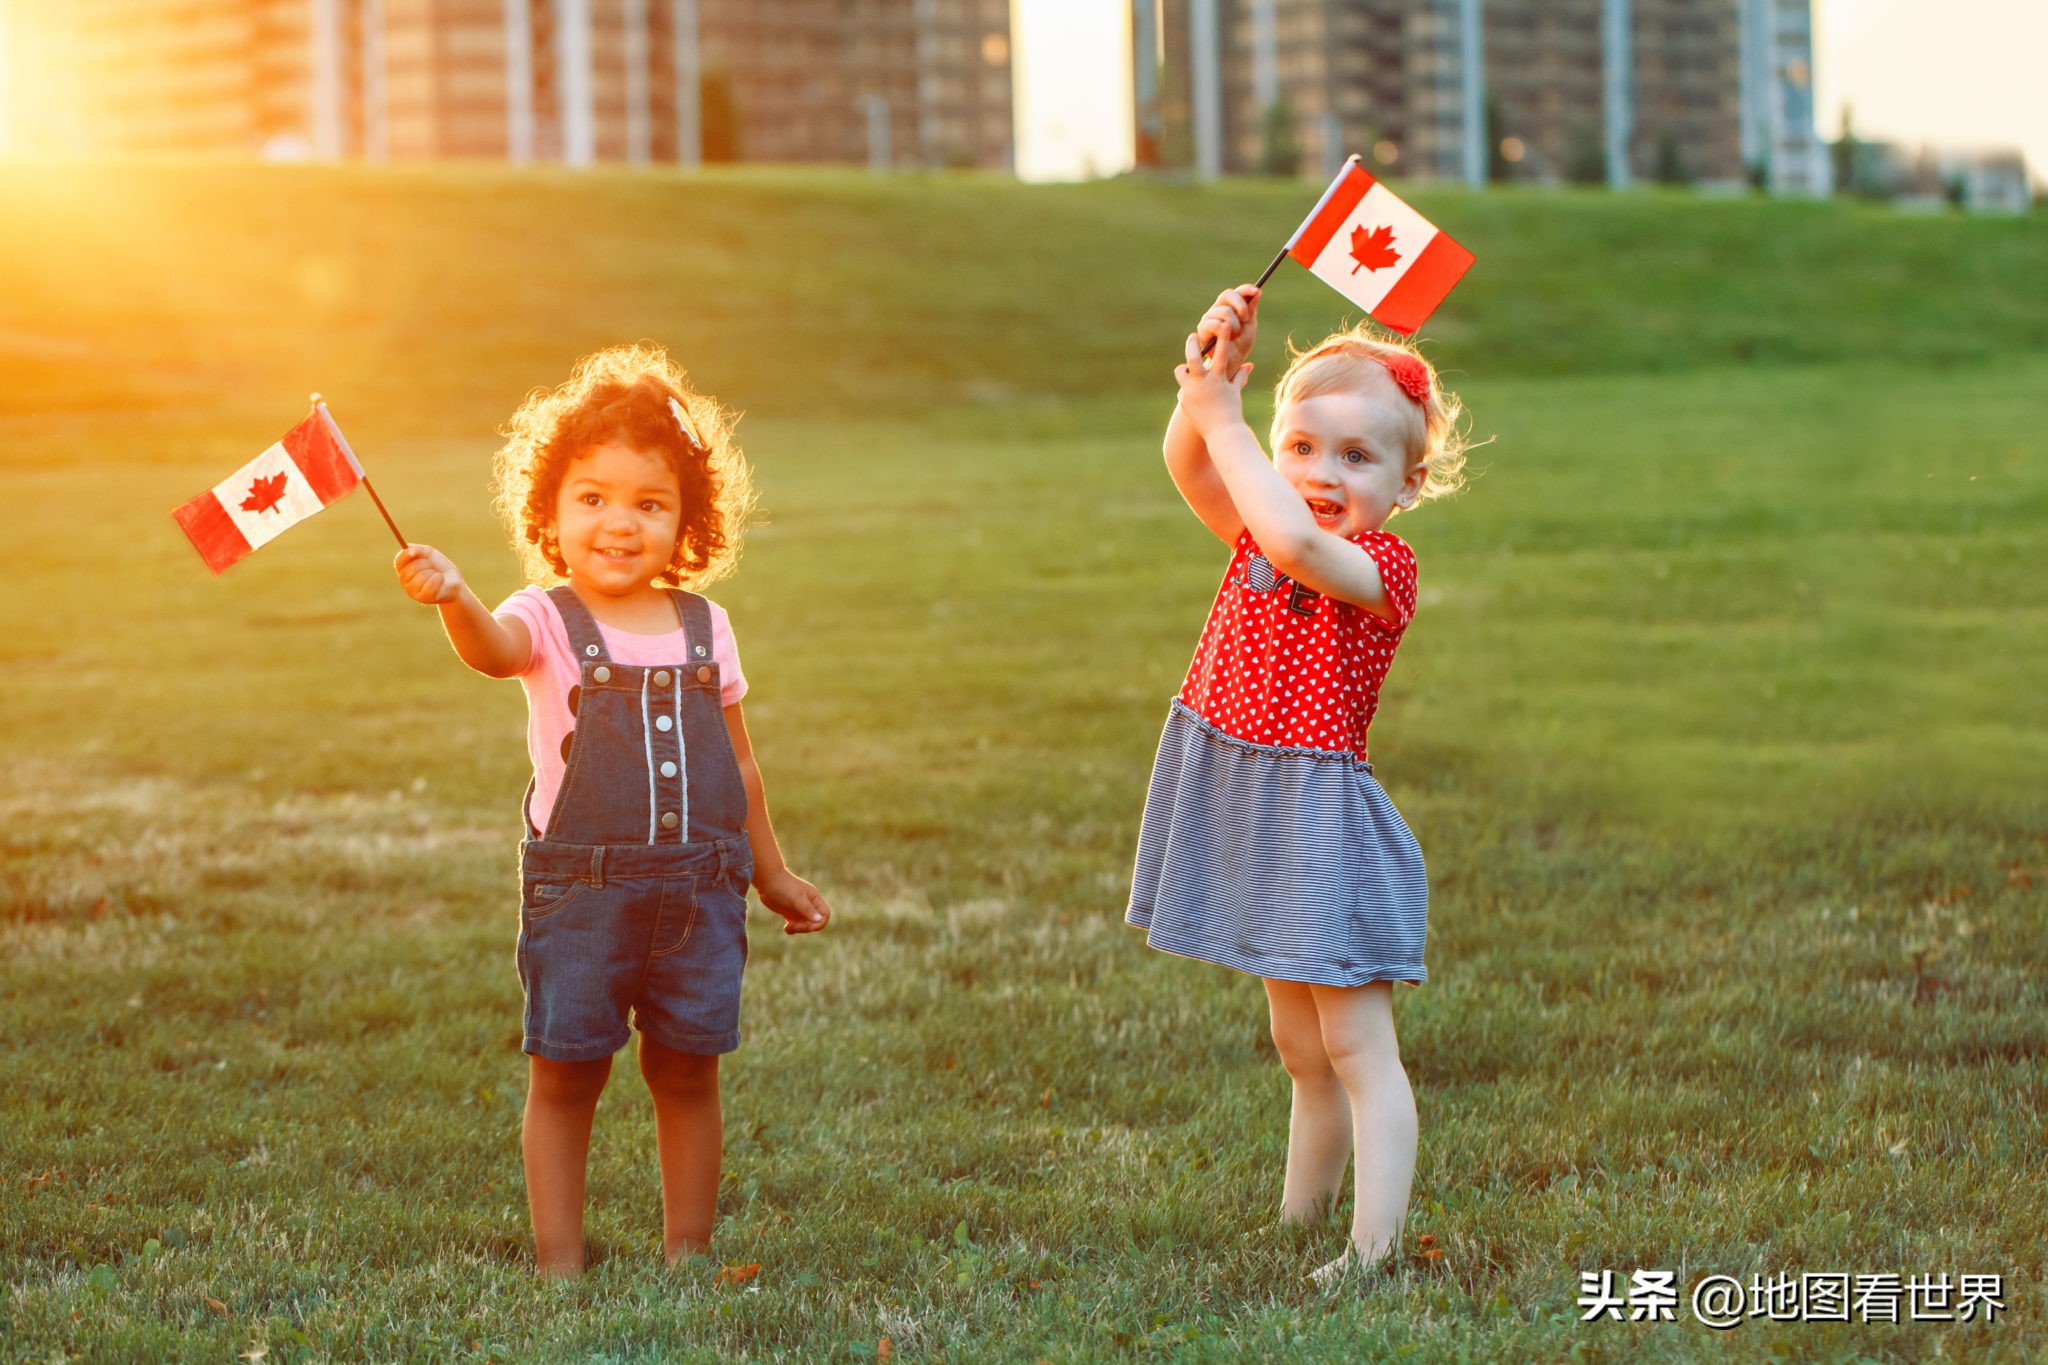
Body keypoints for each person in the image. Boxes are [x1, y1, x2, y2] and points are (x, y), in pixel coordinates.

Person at [393, 344, 831, 1278]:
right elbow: (491, 649)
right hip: (582, 898)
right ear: (550, 512)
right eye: (591, 497)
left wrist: (772, 869)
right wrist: (456, 597)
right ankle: (559, 1262)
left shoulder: (707, 628)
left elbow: (740, 766)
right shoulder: (543, 620)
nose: (619, 523)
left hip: (701, 897)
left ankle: (687, 1255)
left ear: (687, 520)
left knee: (687, 1070)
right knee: (567, 1072)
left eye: (648, 501)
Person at [1127, 286, 1468, 1283]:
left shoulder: (1374, 566)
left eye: (1357, 458)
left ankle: (1370, 1251)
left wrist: (1231, 423)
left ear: (1405, 485)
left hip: (1319, 825)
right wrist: (1209, 379)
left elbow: (1294, 543)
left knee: (1356, 1046)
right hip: (1252, 809)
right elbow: (1188, 463)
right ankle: (1296, 1219)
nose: (1323, 474)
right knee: (1297, 1045)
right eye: (1302, 447)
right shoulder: (1256, 528)